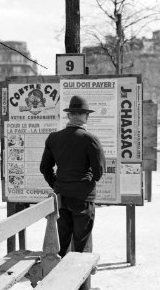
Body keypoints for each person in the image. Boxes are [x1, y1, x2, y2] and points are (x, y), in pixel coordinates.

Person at [40, 95, 105, 290]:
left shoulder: (54, 138)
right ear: (85, 116)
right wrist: (86, 181)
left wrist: (57, 183)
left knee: (63, 241)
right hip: (83, 198)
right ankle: (82, 287)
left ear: (70, 115)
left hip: (61, 197)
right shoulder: (90, 139)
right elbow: (99, 172)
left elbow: (45, 168)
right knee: (82, 245)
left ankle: (61, 284)